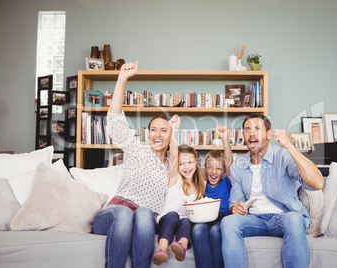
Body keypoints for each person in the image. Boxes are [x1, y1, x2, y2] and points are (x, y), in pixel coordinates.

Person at [92, 61, 172, 268]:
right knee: (127, 213)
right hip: (115, 214)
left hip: (145, 221)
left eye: (164, 130)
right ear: (148, 133)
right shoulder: (139, 150)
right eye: (153, 129)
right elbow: (116, 123)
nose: (157, 134)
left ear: (172, 136)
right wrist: (122, 79)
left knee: (145, 212)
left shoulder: (174, 165)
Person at [221, 113, 324, 268]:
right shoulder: (238, 166)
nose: (252, 133)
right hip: (255, 220)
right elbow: (235, 201)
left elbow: (317, 183)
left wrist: (289, 146)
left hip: (283, 218)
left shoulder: (283, 156)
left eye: (257, 128)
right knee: (228, 221)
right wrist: (235, 207)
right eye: (247, 129)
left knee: (295, 219)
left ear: (269, 134)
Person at [152, 114, 206, 265]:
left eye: (189, 162)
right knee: (174, 215)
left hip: (184, 223)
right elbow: (174, 155)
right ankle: (162, 248)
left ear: (196, 162)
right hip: (165, 219)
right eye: (181, 164)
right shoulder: (175, 179)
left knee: (187, 220)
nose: (186, 167)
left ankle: (181, 245)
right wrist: (174, 129)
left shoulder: (201, 186)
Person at [192, 125, 233, 268]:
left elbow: (229, 162)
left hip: (222, 217)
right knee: (197, 230)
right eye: (210, 167)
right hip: (204, 218)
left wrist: (225, 139)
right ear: (205, 169)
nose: (214, 171)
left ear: (224, 171)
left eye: (219, 168)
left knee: (216, 232)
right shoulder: (202, 184)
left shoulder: (226, 182)